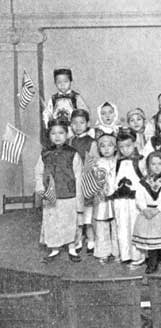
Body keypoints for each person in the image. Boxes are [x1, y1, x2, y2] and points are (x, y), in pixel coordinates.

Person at [35, 119, 83, 263]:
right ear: (49, 136)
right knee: (52, 221)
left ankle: (72, 248)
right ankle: (54, 248)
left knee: (70, 221)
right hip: (51, 195)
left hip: (68, 194)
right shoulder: (45, 153)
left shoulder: (72, 153)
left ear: (67, 134)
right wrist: (40, 187)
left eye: (61, 133)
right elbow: (38, 172)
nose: (57, 136)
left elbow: (79, 176)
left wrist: (79, 199)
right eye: (53, 133)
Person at [132, 151, 161, 274]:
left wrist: (157, 209)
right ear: (148, 165)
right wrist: (144, 208)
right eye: (153, 164)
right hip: (148, 212)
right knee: (151, 242)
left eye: (160, 163)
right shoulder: (144, 181)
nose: (157, 167)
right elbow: (139, 196)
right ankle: (152, 264)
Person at [111, 129, 146, 268]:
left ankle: (138, 256)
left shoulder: (141, 161)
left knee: (135, 227)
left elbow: (146, 180)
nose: (125, 150)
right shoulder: (117, 161)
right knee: (122, 227)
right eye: (122, 147)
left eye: (128, 146)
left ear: (135, 143)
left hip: (135, 201)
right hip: (120, 200)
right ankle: (125, 255)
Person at [69, 109, 97, 255]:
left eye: (81, 123)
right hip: (73, 182)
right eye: (74, 123)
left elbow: (93, 162)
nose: (78, 126)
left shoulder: (91, 142)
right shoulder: (70, 141)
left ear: (88, 124)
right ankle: (78, 240)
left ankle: (91, 240)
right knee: (77, 217)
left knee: (88, 217)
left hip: (86, 181)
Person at [91, 133, 119, 264]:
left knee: (117, 225)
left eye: (110, 145)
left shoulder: (119, 162)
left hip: (116, 198)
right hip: (102, 199)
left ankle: (118, 252)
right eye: (102, 146)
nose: (106, 148)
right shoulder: (97, 163)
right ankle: (103, 252)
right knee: (102, 226)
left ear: (115, 147)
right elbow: (93, 181)